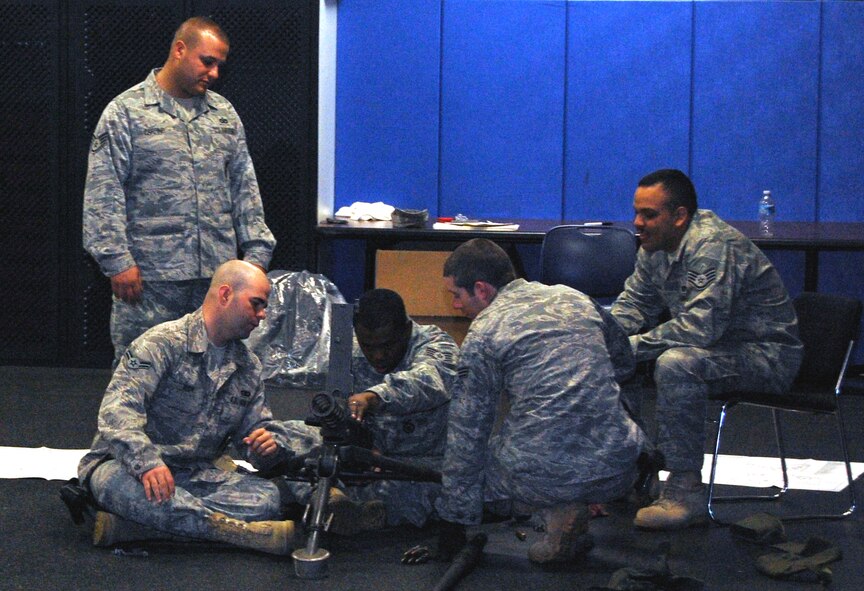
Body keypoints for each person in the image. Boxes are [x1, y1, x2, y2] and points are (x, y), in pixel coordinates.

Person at [610, 169, 803, 530]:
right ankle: (631, 474)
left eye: (649, 214)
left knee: (677, 364)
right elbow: (634, 306)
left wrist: (628, 348)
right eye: (636, 212)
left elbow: (700, 329)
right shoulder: (657, 247)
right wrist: (601, 341)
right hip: (719, 351)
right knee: (612, 356)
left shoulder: (713, 247)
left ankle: (684, 492)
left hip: (766, 355)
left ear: (679, 216)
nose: (638, 223)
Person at [434, 239, 646, 564]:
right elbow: (623, 363)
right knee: (612, 401)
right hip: (619, 466)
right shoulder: (574, 299)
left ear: (481, 289)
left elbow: (467, 437)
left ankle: (560, 512)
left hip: (541, 478)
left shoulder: (483, 335)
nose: (456, 306)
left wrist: (453, 522)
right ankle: (584, 506)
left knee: (462, 466)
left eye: (456, 296)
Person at [82, 16, 276, 365]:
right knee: (141, 374)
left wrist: (256, 257)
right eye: (207, 61)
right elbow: (103, 192)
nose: (214, 73)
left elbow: (245, 189)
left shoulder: (223, 115)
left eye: (220, 65)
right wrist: (116, 261)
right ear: (179, 50)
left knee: (216, 373)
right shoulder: (126, 112)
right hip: (150, 282)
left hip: (218, 283)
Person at [78, 260, 302, 555]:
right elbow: (116, 412)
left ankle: (142, 528)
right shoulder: (162, 343)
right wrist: (147, 463)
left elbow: (252, 438)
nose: (262, 315)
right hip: (131, 466)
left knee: (267, 499)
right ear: (225, 295)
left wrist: (264, 446)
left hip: (195, 473)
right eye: (256, 304)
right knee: (114, 486)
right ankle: (233, 533)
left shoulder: (248, 366)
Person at [284, 288, 459, 529]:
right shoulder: (351, 355)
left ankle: (343, 510)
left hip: (418, 463)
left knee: (434, 490)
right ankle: (331, 500)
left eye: (387, 345)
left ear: (406, 330)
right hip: (366, 460)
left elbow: (430, 381)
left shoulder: (436, 344)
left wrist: (374, 396)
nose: (378, 355)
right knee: (290, 436)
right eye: (369, 346)